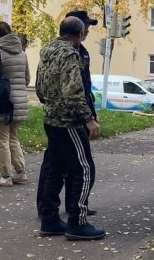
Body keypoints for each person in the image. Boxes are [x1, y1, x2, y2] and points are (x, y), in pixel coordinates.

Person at [35, 16, 105, 240]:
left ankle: (50, 219)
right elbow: (73, 92)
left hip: (51, 119)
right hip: (69, 122)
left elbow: (39, 87)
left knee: (55, 169)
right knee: (84, 169)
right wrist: (88, 119)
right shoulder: (71, 53)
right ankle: (77, 221)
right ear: (79, 34)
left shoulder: (48, 51)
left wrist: (51, 105)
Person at [0, 21, 30, 187]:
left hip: (1, 102)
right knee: (12, 137)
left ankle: (5, 176)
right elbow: (27, 79)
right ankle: (20, 172)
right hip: (19, 103)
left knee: (1, 139)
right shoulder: (21, 53)